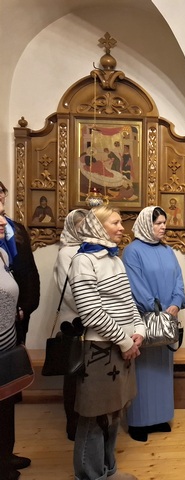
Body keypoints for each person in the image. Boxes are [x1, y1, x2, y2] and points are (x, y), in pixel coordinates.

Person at [68, 205, 145, 480]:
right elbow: (91, 312)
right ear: (98, 226)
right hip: (100, 349)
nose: (122, 228)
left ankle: (108, 471)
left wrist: (139, 330)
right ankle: (90, 475)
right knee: (94, 417)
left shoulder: (114, 258)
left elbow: (128, 301)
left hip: (123, 347)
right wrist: (125, 341)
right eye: (115, 223)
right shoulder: (83, 261)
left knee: (113, 414)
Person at [123, 206, 185, 442]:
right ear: (145, 224)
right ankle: (138, 422)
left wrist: (176, 303)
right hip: (144, 321)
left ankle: (160, 417)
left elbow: (179, 280)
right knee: (142, 371)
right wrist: (157, 308)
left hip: (167, 320)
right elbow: (135, 286)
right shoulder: (132, 252)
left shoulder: (168, 250)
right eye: (158, 223)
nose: (163, 226)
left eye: (164, 222)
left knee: (162, 369)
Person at [0, 204, 31, 480]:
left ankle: (4, 457)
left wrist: (17, 309)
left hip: (6, 344)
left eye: (2, 213)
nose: (3, 221)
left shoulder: (2, 253)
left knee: (5, 408)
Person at [53, 208, 89, 441]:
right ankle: (73, 424)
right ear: (72, 228)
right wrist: (91, 309)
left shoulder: (90, 250)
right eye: (80, 226)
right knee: (73, 374)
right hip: (74, 322)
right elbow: (68, 292)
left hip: (92, 320)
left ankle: (88, 418)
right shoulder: (66, 253)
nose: (84, 229)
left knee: (88, 373)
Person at [0, 181, 40, 346]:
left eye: (1, 191)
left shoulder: (17, 229)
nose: (0, 195)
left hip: (19, 311)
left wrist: (26, 307)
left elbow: (29, 271)